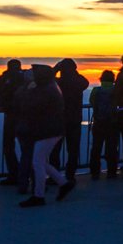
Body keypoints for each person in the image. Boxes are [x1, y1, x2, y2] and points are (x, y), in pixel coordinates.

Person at [18, 65, 75, 207]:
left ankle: (39, 195)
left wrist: (28, 87)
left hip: (47, 130)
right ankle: (64, 184)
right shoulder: (51, 87)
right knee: (41, 160)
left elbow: (28, 105)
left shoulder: (44, 90)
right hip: (51, 130)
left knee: (37, 161)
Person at [0, 60, 28, 186]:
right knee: (26, 148)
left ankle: (14, 174)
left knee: (9, 146)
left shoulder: (4, 78)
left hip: (10, 116)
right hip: (24, 116)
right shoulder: (25, 79)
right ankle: (26, 175)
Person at [54, 59, 89, 182]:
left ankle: (55, 176)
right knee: (73, 149)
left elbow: (48, 80)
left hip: (59, 119)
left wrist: (55, 69)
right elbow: (85, 82)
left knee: (55, 149)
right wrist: (74, 72)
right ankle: (70, 175)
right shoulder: (78, 81)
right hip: (74, 119)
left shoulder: (59, 82)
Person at [88, 70, 119, 179]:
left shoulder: (96, 90)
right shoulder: (115, 90)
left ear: (101, 79)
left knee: (96, 147)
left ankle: (95, 172)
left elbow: (92, 102)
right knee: (112, 147)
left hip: (98, 122)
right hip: (112, 123)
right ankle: (112, 171)